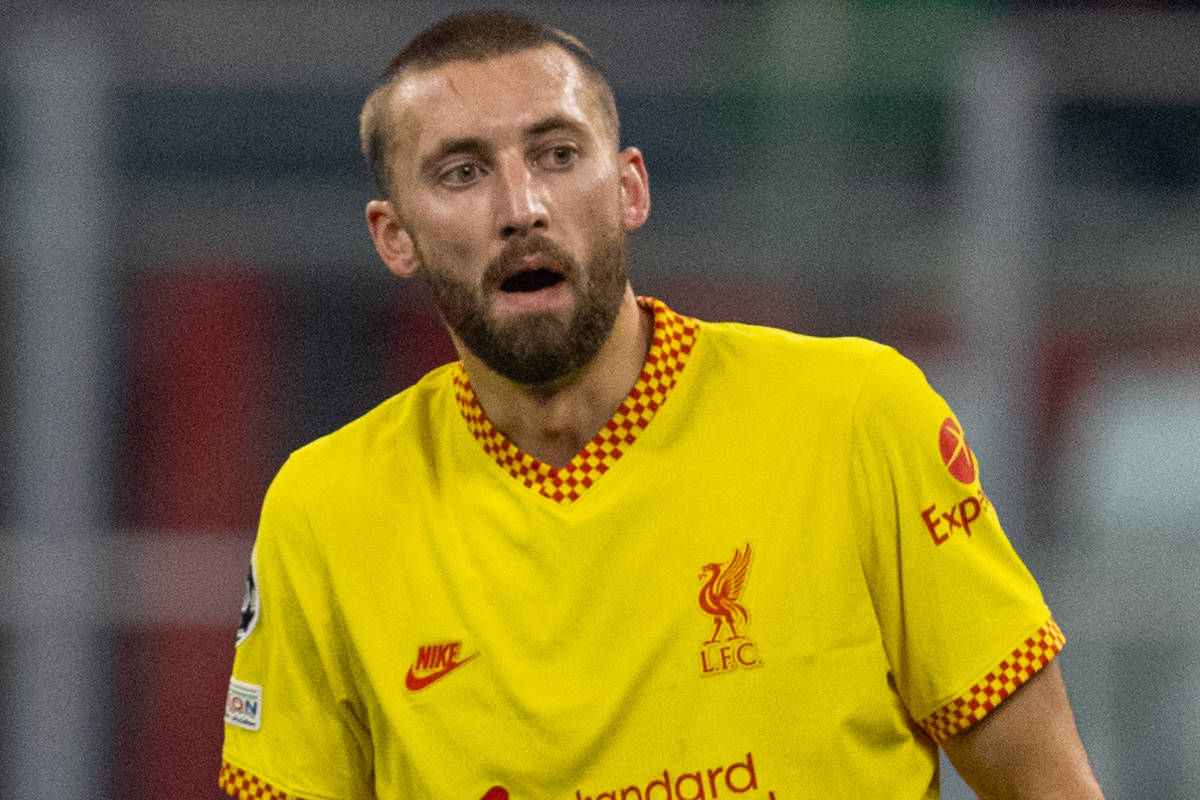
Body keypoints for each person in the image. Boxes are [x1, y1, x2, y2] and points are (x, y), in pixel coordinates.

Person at [219, 10, 1104, 799]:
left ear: (629, 188)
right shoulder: (325, 512)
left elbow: (1047, 783)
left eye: (558, 155)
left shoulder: (857, 417)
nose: (523, 207)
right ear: (394, 236)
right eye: (461, 173)